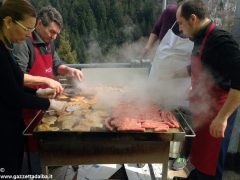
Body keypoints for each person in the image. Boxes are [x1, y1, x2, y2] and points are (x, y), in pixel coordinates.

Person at [173, 0, 240, 179]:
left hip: (218, 112)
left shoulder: (221, 41)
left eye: (180, 23)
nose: (179, 28)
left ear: (193, 18)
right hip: (204, 109)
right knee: (201, 159)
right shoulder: (200, 38)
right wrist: (176, 74)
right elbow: (203, 65)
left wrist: (222, 118)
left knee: (211, 164)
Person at [0, 0, 65, 174]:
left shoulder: (5, 48)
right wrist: (49, 104)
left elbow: (16, 79)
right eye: (27, 29)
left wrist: (37, 91)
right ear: (8, 22)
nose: (29, 35)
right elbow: (14, 95)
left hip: (13, 127)